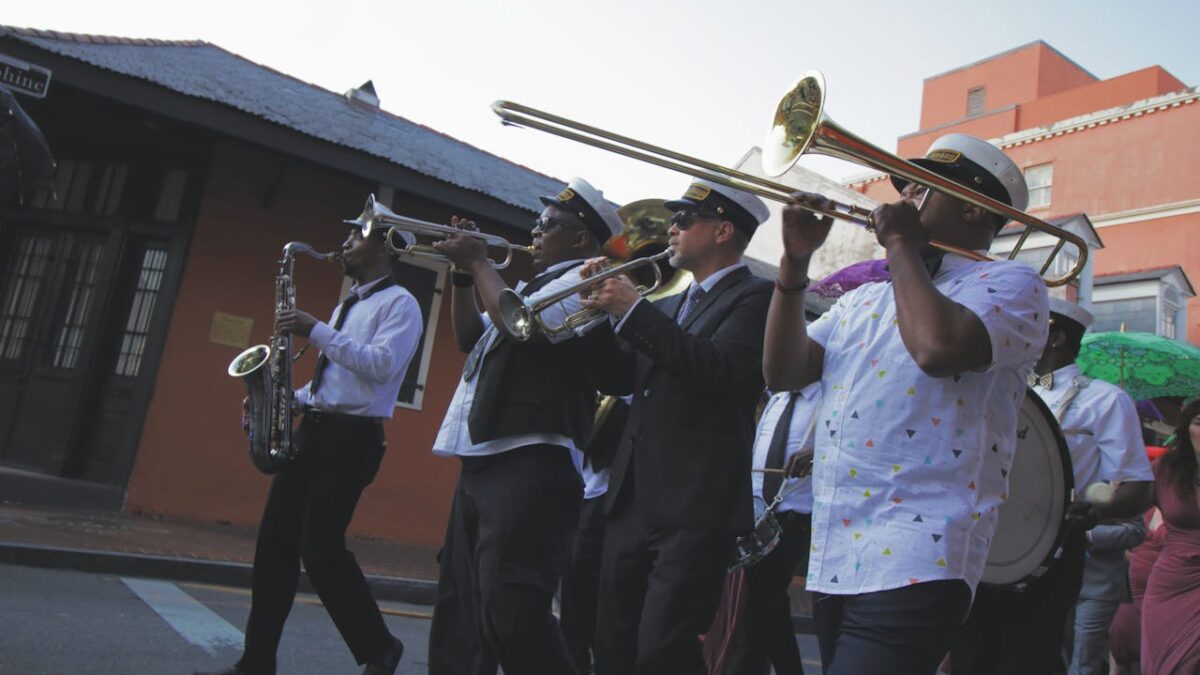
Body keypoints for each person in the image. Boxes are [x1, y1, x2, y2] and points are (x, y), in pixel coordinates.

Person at [763, 133, 1050, 675]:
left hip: (923, 549)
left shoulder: (1012, 283)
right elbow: (783, 372)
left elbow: (938, 349)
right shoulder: (865, 299)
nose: (901, 201)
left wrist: (899, 246)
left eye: (920, 190)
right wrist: (794, 265)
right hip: (837, 547)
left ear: (973, 207)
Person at [199, 224, 423, 675]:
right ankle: (256, 662)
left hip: (351, 439)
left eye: (355, 239)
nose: (344, 246)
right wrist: (280, 401)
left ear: (382, 247)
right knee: (273, 549)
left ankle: (380, 648)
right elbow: (331, 383)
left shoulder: (402, 303)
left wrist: (314, 329)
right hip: (315, 432)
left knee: (320, 550)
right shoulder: (347, 304)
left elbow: (381, 367)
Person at [426, 177, 624, 675]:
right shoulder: (524, 287)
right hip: (485, 454)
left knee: (511, 612)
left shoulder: (589, 278)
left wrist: (478, 261)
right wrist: (464, 276)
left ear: (580, 239)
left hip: (533, 459)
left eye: (548, 225)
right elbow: (471, 337)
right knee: (462, 610)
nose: (535, 231)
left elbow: (525, 328)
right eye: (538, 222)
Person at [579, 178, 773, 675]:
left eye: (685, 221)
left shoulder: (757, 297)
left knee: (662, 647)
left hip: (696, 503)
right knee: (613, 641)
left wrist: (632, 310)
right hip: (633, 497)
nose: (672, 229)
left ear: (724, 230)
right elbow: (616, 379)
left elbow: (717, 370)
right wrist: (598, 317)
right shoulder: (665, 306)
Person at [953, 297, 1154, 675]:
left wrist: (1096, 510)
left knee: (1030, 658)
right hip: (983, 547)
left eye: (1028, 326)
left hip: (1054, 550)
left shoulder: (1106, 400)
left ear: (1055, 337)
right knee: (971, 656)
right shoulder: (1000, 390)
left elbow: (1138, 487)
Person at [721, 381, 821, 675]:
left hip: (795, 515)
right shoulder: (777, 399)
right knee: (771, 607)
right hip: (759, 513)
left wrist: (818, 451)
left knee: (759, 610)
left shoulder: (827, 398)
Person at [1141, 397, 1200, 675]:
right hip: (1169, 584)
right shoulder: (1166, 469)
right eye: (1199, 423)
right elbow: (1130, 509)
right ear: (1187, 428)